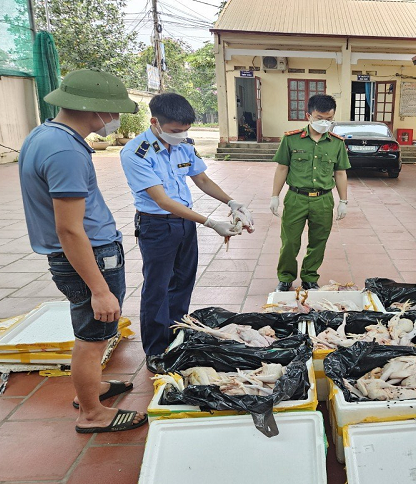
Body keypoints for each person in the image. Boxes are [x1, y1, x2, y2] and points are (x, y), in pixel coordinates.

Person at [18, 69, 147, 433]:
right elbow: (69, 228)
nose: (116, 120)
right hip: (88, 258)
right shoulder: (65, 151)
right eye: (114, 112)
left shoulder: (44, 135)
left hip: (78, 256)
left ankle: (93, 390)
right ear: (97, 110)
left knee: (94, 335)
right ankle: (91, 413)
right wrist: (100, 289)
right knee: (93, 338)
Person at [120, 93, 253, 365]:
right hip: (157, 225)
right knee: (158, 288)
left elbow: (202, 179)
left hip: (184, 224)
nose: (181, 136)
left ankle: (177, 336)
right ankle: (156, 349)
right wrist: (211, 222)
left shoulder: (183, 146)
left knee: (183, 282)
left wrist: (232, 201)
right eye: (175, 131)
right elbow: (163, 201)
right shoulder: (136, 153)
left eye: (186, 130)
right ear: (155, 122)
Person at [270, 94, 351, 292]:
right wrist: (275, 196)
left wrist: (344, 201)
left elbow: (340, 172)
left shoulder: (337, 143)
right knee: (289, 241)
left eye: (329, 119)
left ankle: (309, 277)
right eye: (319, 118)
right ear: (308, 115)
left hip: (323, 200)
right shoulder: (291, 139)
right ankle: (286, 277)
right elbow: (282, 168)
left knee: (318, 241)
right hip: (296, 197)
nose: (324, 123)